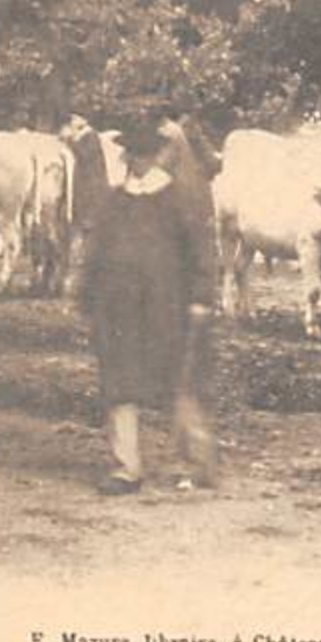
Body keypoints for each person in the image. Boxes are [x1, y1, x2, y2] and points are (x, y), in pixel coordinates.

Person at [79, 117, 218, 495]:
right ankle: (128, 468)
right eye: (132, 153)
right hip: (119, 310)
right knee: (120, 383)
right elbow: (95, 253)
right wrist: (88, 295)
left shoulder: (179, 199)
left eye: (143, 153)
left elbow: (202, 253)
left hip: (166, 308)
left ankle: (192, 463)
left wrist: (202, 297)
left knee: (177, 381)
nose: (136, 160)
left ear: (157, 156)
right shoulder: (114, 200)